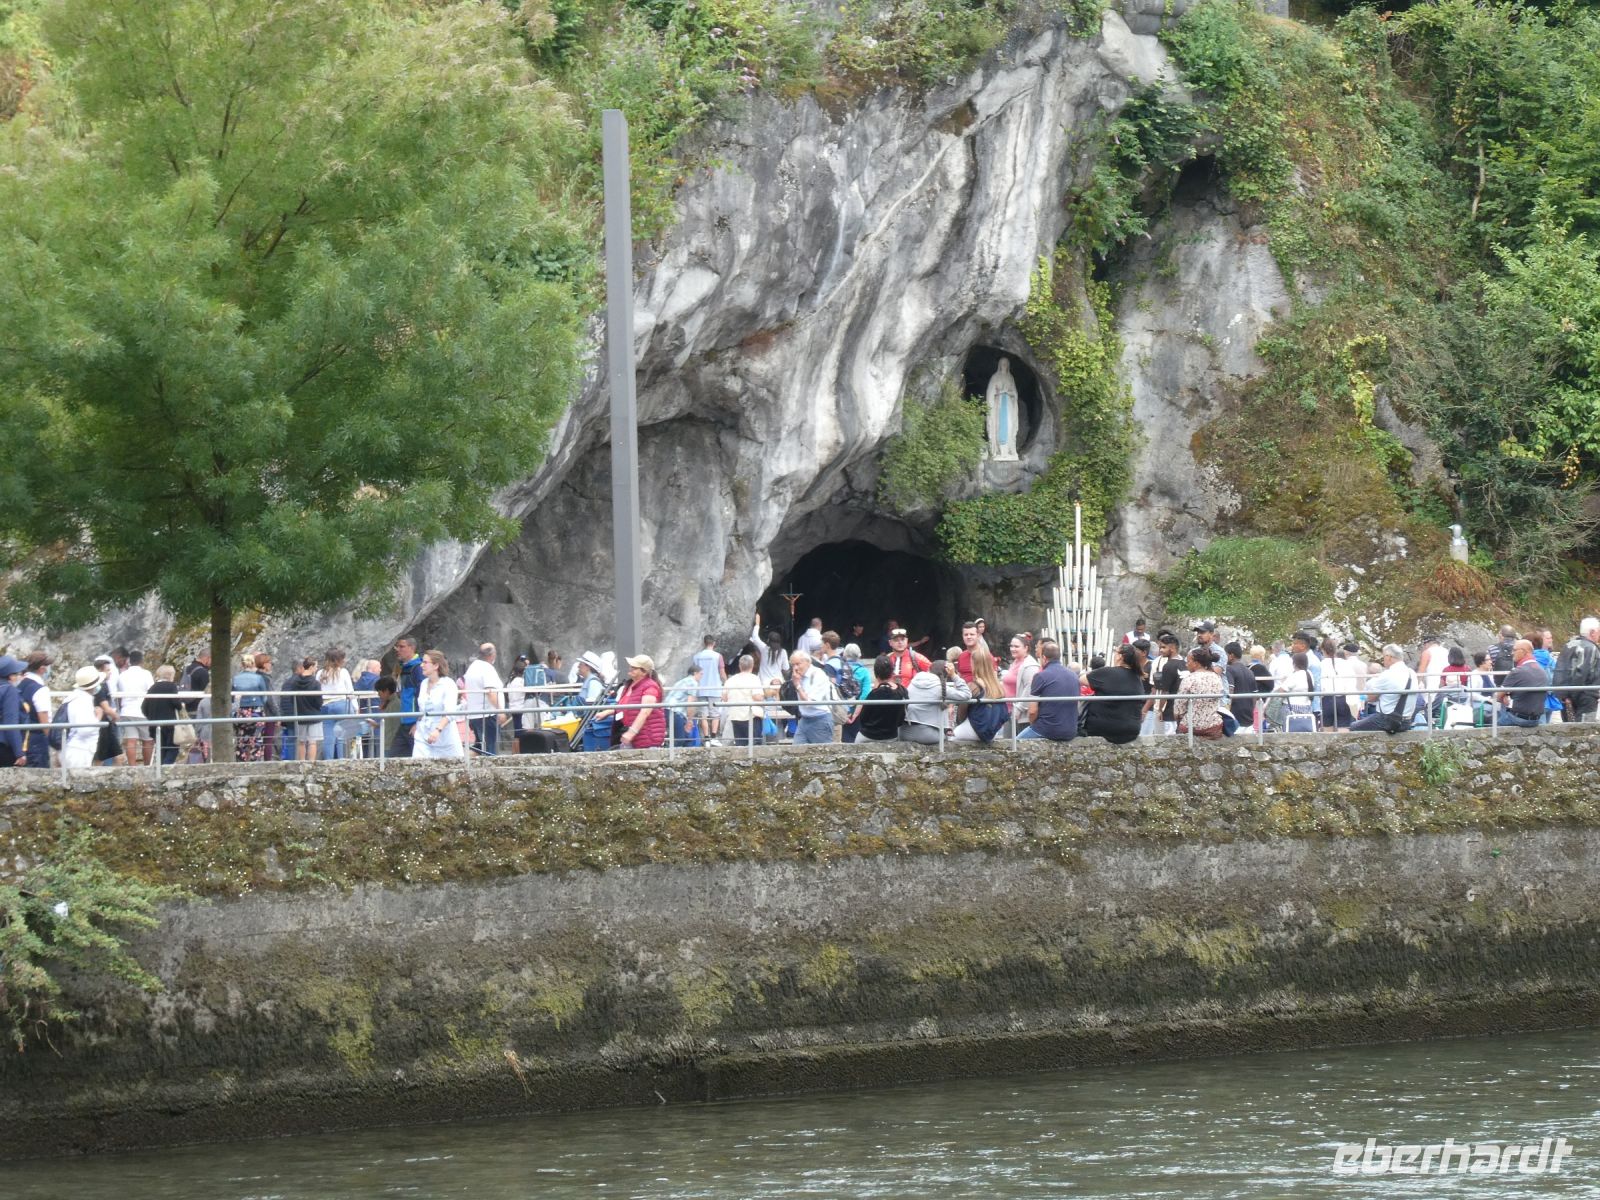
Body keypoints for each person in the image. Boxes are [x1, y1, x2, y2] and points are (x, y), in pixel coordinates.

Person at [1080, 644, 1145, 745]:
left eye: (1115, 652)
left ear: (1120, 656)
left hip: (1104, 728)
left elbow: (1082, 679)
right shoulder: (1137, 677)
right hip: (1131, 730)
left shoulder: (1107, 672)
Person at [1349, 645, 1419, 733]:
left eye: (1383, 657)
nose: (1383, 660)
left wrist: (1361, 697)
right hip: (1406, 721)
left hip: (1386, 720)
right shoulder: (1411, 673)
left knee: (1352, 727)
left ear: (1389, 657)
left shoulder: (1388, 674)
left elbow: (1371, 698)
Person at [1019, 639, 1079, 742]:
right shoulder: (1073, 675)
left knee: (1013, 745)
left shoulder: (1040, 676)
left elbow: (1032, 711)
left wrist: (1034, 725)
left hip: (1046, 729)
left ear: (1044, 658)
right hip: (1071, 730)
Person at [900, 658, 969, 745]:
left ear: (929, 669)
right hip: (925, 734)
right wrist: (954, 675)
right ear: (946, 675)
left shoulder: (914, 681)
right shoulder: (939, 687)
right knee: (947, 737)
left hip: (903, 732)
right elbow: (966, 694)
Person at [410, 650, 463, 759]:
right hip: (423, 735)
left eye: (425, 662)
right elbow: (422, 708)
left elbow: (450, 712)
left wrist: (438, 730)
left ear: (436, 665)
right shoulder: (424, 684)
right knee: (418, 767)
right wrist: (417, 723)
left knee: (454, 768)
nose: (421, 665)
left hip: (444, 738)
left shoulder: (448, 684)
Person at [953, 642, 1008, 742]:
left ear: (975, 664)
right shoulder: (998, 686)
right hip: (992, 731)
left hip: (975, 728)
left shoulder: (974, 686)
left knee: (950, 739)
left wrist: (960, 722)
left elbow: (962, 712)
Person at [1553, 617, 1600, 723]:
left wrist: (1564, 696)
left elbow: (1559, 670)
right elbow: (1582, 673)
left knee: (1568, 728)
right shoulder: (1591, 649)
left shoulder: (1568, 645)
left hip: (1566, 698)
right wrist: (1573, 695)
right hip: (1585, 697)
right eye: (1598, 632)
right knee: (1584, 731)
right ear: (1592, 632)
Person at [785, 651, 837, 744]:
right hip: (804, 719)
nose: (795, 668)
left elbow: (809, 702)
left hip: (820, 719)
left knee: (822, 755)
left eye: (798, 664)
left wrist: (797, 685)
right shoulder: (798, 676)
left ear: (808, 662)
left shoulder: (818, 675)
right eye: (793, 665)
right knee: (795, 752)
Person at [615, 655, 667, 749]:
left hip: (646, 736)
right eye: (631, 666)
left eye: (634, 668)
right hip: (635, 736)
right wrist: (606, 712)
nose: (630, 669)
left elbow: (645, 711)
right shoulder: (631, 685)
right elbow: (625, 706)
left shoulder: (650, 686)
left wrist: (631, 732)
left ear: (644, 672)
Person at [462, 642, 505, 756]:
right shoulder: (487, 669)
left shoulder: (473, 667)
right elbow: (491, 692)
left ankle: (462, 765)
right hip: (487, 715)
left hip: (475, 714)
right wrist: (500, 711)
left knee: (479, 747)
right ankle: (491, 772)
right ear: (492, 655)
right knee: (490, 749)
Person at [232, 652, 274, 763]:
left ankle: (241, 760)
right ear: (253, 664)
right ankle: (255, 760)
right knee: (256, 737)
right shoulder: (258, 678)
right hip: (257, 710)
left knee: (241, 737)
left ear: (242, 665)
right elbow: (264, 696)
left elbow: (232, 697)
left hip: (240, 710)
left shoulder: (235, 678)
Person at [115, 649, 155, 766]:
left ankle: (132, 767)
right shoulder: (146, 674)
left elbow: (119, 693)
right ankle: (147, 766)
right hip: (142, 711)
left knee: (131, 740)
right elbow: (151, 691)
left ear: (129, 661)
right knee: (147, 740)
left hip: (126, 710)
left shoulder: (122, 675)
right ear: (141, 661)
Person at [1176, 646, 1226, 739]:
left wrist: (1179, 719)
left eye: (1188, 662)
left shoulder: (1189, 679)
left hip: (1190, 725)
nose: (1186, 665)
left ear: (1196, 663)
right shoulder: (1217, 677)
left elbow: (1179, 709)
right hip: (1213, 725)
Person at [1497, 639, 1549, 728]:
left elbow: (1498, 696)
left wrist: (1505, 697)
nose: (1512, 653)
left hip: (1518, 719)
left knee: (1496, 719)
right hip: (1536, 720)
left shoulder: (1517, 671)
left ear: (1523, 651)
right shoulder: (1542, 671)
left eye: (1514, 650)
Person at [59, 666, 104, 769]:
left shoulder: (74, 698)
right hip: (80, 750)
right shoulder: (84, 701)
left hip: (71, 748)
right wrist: (98, 717)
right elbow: (85, 729)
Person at [722, 655, 770, 749]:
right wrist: (764, 696)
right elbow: (757, 696)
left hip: (735, 716)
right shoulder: (754, 679)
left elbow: (724, 698)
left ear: (740, 666)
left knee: (740, 744)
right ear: (752, 665)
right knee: (755, 744)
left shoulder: (730, 680)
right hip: (750, 716)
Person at [856, 656, 907, 742]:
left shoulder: (874, 694)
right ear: (892, 672)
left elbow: (863, 719)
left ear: (876, 673)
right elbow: (901, 718)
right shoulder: (902, 691)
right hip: (891, 735)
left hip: (870, 735)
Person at [317, 649, 356, 760]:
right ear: (338, 660)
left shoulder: (320, 673)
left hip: (325, 706)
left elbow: (317, 690)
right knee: (341, 736)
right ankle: (342, 759)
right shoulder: (343, 672)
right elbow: (350, 691)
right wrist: (355, 707)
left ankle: (328, 761)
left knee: (328, 737)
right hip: (341, 704)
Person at [17, 652, 53, 768]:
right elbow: (44, 720)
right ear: (42, 668)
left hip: (22, 737)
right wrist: (52, 741)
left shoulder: (20, 684)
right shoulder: (40, 690)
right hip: (37, 741)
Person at [284, 657, 324, 760]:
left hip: (300, 715)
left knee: (301, 742)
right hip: (314, 715)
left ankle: (301, 763)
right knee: (312, 742)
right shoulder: (315, 684)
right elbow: (319, 701)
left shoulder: (295, 682)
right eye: (315, 666)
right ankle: (310, 764)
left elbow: (292, 699)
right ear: (311, 667)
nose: (316, 669)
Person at [143, 665, 183, 766]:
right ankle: (167, 765)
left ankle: (161, 767)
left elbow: (143, 707)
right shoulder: (171, 686)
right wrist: (181, 706)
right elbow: (176, 703)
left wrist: (151, 717)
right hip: (169, 723)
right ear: (170, 675)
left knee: (161, 747)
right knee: (173, 747)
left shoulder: (152, 688)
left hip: (155, 724)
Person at [1145, 632, 1183, 736]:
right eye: (1160, 647)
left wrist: (1161, 709)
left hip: (1168, 709)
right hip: (1175, 708)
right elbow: (1155, 687)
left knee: (1164, 738)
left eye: (1163, 647)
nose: (1161, 650)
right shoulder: (1184, 663)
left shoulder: (1171, 665)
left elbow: (1165, 691)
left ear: (1172, 648)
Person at [575, 651, 613, 752]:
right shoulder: (588, 681)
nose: (578, 666)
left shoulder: (593, 683)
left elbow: (592, 707)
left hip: (587, 724)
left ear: (587, 667)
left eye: (581, 664)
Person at [393, 637, 424, 758]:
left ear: (411, 648)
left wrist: (418, 722)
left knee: (419, 758)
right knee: (393, 759)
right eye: (397, 647)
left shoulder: (417, 669)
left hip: (413, 723)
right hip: (405, 721)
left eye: (402, 647)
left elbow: (422, 697)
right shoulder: (405, 667)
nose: (398, 650)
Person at [1002, 634, 1039, 737]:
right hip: (1008, 710)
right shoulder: (1015, 662)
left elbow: (1030, 688)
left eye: (1016, 646)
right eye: (1011, 646)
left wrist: (1018, 709)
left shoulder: (1030, 665)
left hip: (1020, 715)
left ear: (1026, 648)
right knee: (1007, 745)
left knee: (1016, 745)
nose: (1012, 649)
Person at [692, 636, 727, 743]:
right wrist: (726, 683)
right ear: (714, 643)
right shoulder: (717, 656)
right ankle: (714, 737)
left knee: (703, 715)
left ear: (704, 643)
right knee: (715, 714)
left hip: (701, 688)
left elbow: (694, 673)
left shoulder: (696, 657)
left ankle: (706, 738)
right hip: (714, 688)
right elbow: (722, 672)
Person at [837, 643, 873, 743]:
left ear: (844, 654)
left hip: (841, 710)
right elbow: (865, 695)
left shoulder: (840, 670)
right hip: (858, 712)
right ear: (859, 656)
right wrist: (855, 714)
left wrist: (843, 713)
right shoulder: (864, 672)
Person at [1275, 651, 1318, 733]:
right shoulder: (1309, 674)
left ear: (1294, 663)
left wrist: (1283, 682)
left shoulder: (1295, 675)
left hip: (1292, 707)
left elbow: (1282, 690)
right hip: (1306, 706)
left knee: (1290, 729)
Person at [1224, 643, 1258, 729]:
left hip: (1234, 717)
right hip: (1248, 719)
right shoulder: (1250, 672)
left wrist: (1226, 713)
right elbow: (1255, 696)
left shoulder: (1229, 669)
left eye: (1225, 654)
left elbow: (1230, 691)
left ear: (1231, 655)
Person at [0, 656, 22, 767]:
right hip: (3, 746)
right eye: (17, 674)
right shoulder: (9, 690)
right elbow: (11, 722)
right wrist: (19, 752)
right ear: (10, 676)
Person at [955, 621, 981, 686]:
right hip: (962, 692)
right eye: (966, 635)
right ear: (962, 636)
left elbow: (992, 681)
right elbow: (959, 677)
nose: (968, 637)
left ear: (978, 636)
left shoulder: (986, 656)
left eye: (972, 634)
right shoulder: (961, 656)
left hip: (981, 694)